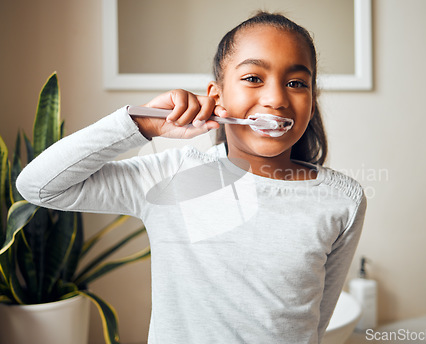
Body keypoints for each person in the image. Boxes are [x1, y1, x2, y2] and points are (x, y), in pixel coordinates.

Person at [17, 11, 366, 344]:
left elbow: (316, 323)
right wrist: (139, 125)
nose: (276, 99)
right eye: (252, 78)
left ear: (311, 98)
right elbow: (38, 186)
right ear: (217, 97)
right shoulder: (172, 177)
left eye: (295, 83)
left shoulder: (342, 200)